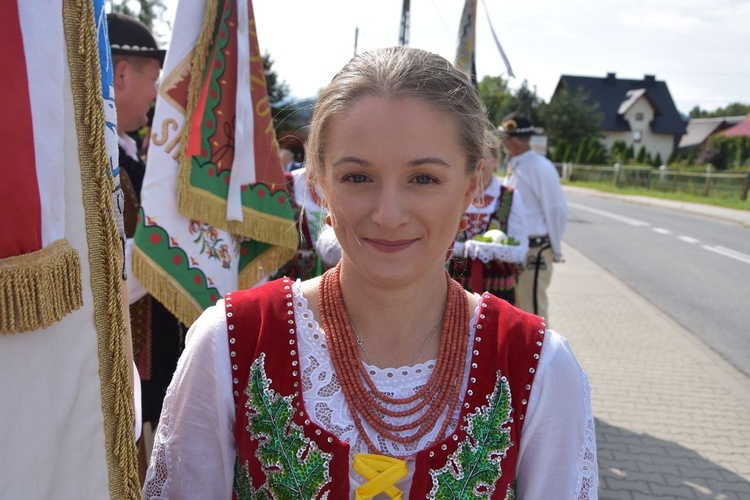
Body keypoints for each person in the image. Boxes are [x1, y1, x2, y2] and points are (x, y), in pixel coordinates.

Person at [143, 46, 597, 499]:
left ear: (472, 185)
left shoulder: (539, 365)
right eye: (358, 177)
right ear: (318, 182)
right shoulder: (230, 341)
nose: (388, 214)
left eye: (423, 178)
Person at [108, 12, 183, 482]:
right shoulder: (101, 161)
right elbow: (104, 270)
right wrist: (175, 239)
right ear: (120, 73)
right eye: (153, 79)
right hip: (122, 372)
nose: (158, 93)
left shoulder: (131, 157)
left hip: (149, 366)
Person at [500, 111, 568, 322]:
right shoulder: (517, 164)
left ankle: (540, 355)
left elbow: (556, 210)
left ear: (512, 139)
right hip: (518, 249)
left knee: (533, 311)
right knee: (518, 309)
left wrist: (556, 249)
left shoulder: (540, 167)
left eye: (505, 137)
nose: (503, 141)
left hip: (535, 250)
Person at [449, 129, 529, 304]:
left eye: (483, 156)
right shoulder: (454, 194)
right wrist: (463, 248)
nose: (478, 163)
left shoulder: (509, 197)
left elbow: (521, 250)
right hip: (455, 285)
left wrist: (491, 249)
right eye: (472, 157)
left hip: (498, 288)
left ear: (496, 159)